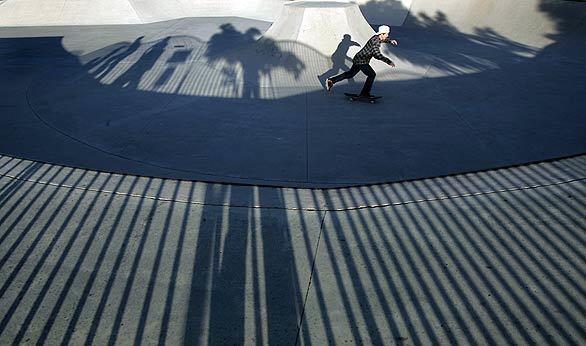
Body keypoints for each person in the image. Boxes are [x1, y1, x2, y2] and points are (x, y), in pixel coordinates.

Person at [326, 25, 398, 97]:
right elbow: (377, 55)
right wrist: (388, 61)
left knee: (350, 74)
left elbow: (383, 39)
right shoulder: (375, 42)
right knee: (372, 74)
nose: (387, 35)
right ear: (382, 34)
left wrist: (390, 41)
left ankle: (332, 80)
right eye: (386, 34)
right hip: (362, 61)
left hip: (358, 59)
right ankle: (365, 93)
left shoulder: (376, 37)